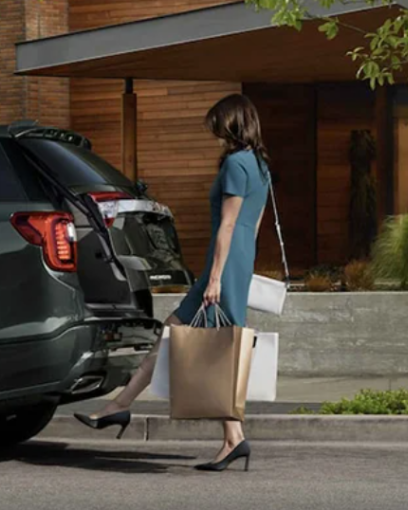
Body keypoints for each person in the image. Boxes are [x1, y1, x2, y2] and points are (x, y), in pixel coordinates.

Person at [75, 93, 272, 472]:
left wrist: (215, 278)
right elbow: (255, 222)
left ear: (230, 123)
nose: (214, 132)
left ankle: (232, 438)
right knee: (182, 339)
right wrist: (237, 267)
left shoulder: (235, 164)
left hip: (225, 265)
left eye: (217, 124)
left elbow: (228, 224)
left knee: (213, 349)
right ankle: (121, 406)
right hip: (239, 260)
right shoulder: (260, 166)